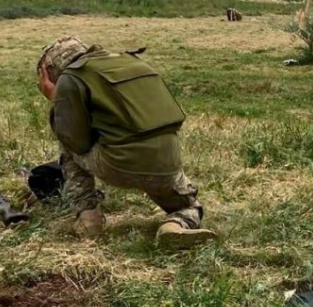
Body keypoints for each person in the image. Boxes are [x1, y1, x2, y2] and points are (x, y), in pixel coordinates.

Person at [37, 36, 217, 249]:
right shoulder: (130, 62)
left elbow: (77, 142)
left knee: (66, 142)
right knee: (189, 207)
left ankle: (89, 219)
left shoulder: (71, 79)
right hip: (167, 164)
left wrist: (58, 101)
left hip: (118, 165)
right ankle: (174, 226)